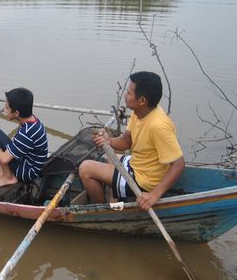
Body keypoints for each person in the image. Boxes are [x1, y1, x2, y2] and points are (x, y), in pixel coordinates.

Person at [79, 71, 184, 210]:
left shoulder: (158, 126)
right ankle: (116, 194)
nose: (125, 95)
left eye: (129, 93)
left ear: (142, 101)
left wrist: (154, 195)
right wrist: (108, 141)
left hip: (145, 181)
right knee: (110, 156)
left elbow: (179, 164)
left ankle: (105, 209)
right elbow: (126, 140)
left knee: (85, 168)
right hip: (137, 164)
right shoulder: (140, 111)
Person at [0, 88, 48, 189]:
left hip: (28, 171)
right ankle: (2, 173)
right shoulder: (32, 120)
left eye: (7, 108)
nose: (4, 110)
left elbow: (4, 159)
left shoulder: (27, 133)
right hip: (29, 161)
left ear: (17, 113)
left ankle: (8, 177)